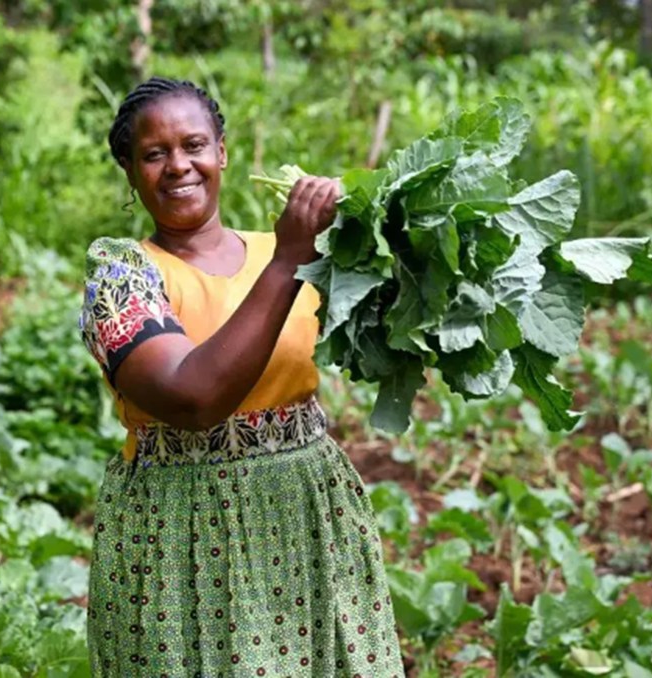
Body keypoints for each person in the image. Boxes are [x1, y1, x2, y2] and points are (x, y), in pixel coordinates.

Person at [79, 76, 404, 678]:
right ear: (129, 171)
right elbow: (191, 397)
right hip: (177, 537)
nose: (179, 166)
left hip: (306, 518)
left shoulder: (290, 250)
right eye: (154, 154)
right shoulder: (121, 276)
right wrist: (290, 258)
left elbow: (396, 336)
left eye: (194, 145)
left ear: (222, 152)